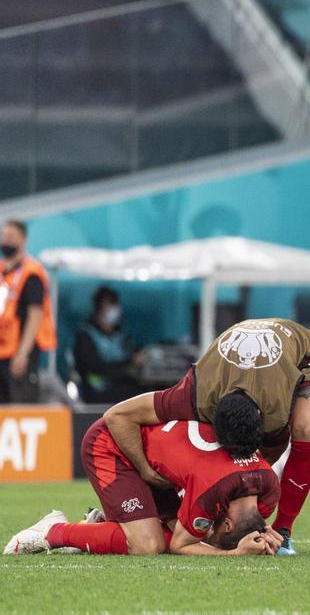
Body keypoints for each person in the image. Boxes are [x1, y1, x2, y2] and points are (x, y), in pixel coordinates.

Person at [100, 317, 310, 556]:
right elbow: (117, 415)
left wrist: (234, 486)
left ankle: (283, 530)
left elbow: (259, 462)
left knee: (307, 429)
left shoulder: (275, 414)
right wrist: (146, 472)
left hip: (303, 352)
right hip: (234, 355)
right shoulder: (192, 395)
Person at [5, 418, 281, 556]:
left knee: (186, 532)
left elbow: (241, 522)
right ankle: (54, 530)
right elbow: (181, 545)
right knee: (149, 544)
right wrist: (232, 553)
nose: (212, 529)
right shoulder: (213, 487)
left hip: (160, 463)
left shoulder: (268, 486)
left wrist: (267, 535)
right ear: (230, 525)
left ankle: (105, 525)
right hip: (114, 445)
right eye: (220, 530)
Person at [0, 219, 57, 404]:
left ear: (23, 239)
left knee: (21, 403)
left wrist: (23, 353)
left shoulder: (31, 273)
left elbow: (35, 314)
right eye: (4, 236)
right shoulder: (3, 272)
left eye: (11, 236)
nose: (5, 240)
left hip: (20, 352)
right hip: (3, 348)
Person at [73, 286, 141, 404]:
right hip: (96, 396)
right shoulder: (85, 335)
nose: (115, 309)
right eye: (110, 304)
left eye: (115, 304)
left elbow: (133, 355)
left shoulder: (122, 335)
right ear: (99, 308)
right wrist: (129, 362)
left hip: (125, 391)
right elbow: (95, 366)